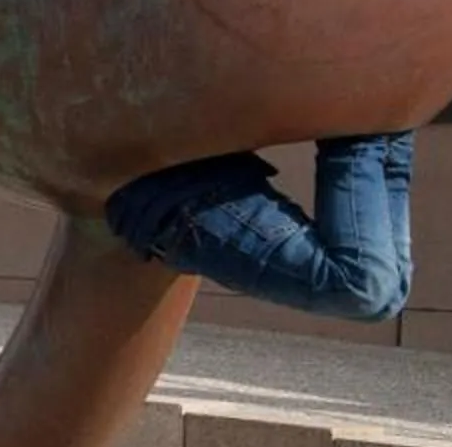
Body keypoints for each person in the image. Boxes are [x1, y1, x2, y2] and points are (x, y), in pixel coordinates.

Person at [104, 132, 412, 323]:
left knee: (378, 295)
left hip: (190, 189)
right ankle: (373, 134)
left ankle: (374, 134)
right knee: (373, 292)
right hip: (178, 194)